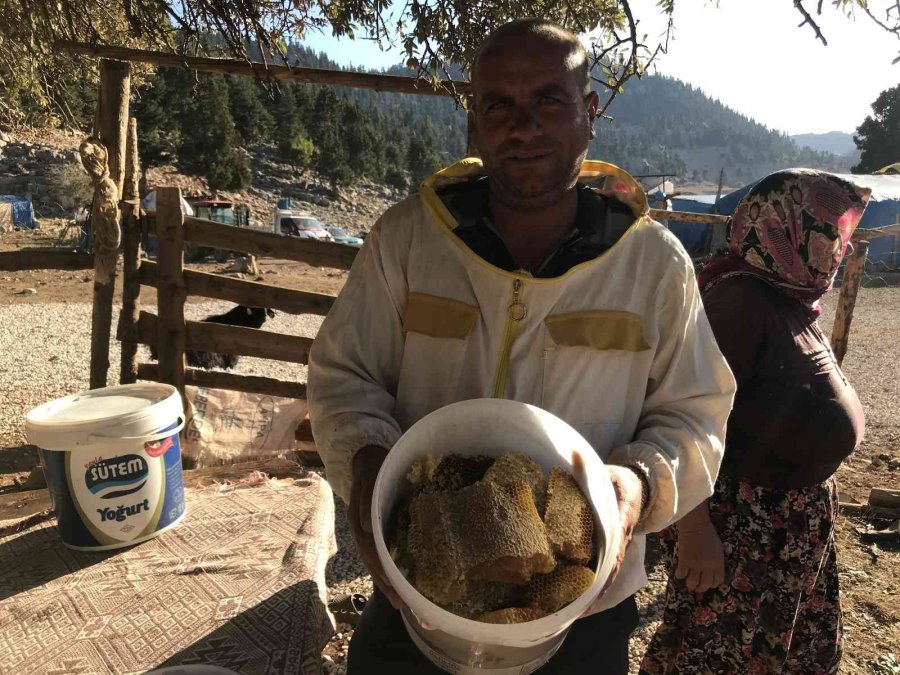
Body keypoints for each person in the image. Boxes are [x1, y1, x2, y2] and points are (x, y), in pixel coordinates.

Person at [308, 19, 735, 674]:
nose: (524, 125)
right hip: (421, 586)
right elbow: (345, 378)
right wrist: (368, 464)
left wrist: (637, 485)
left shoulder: (653, 263)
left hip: (580, 606)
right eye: (499, 105)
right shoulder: (407, 240)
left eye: (547, 100)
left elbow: (696, 416)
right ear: (475, 123)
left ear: (589, 113)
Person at [640, 170, 871, 675]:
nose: (844, 248)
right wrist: (693, 529)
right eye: (831, 232)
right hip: (742, 531)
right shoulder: (738, 303)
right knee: (715, 657)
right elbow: (683, 414)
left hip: (784, 530)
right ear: (787, 230)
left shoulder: (785, 293)